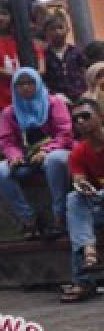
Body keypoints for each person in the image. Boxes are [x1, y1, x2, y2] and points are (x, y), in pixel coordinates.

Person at [0, 68, 73, 238]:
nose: (25, 87)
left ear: (38, 83)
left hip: (56, 151)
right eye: (20, 84)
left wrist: (46, 151)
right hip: (26, 158)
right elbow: (7, 141)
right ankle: (29, 220)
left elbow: (65, 134)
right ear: (14, 88)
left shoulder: (54, 103)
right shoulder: (10, 112)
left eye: (30, 82)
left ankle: (59, 217)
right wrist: (14, 156)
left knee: (55, 160)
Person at [0, 1, 44, 155]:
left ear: (11, 17)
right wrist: (20, 77)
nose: (0, 18)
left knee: (30, 139)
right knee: (4, 140)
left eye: (4, 14)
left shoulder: (21, 39)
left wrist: (39, 72)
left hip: (26, 96)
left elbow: (38, 55)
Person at [62, 98, 104, 302]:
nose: (80, 121)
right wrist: (82, 185)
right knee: (74, 198)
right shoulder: (78, 152)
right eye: (75, 119)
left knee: (80, 218)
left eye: (85, 116)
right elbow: (78, 180)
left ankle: (82, 280)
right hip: (97, 206)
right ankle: (88, 250)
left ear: (101, 117)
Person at [41, 12, 87, 102]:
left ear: (67, 29)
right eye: (52, 29)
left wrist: (86, 92)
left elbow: (85, 72)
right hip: (56, 98)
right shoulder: (44, 55)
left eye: (60, 27)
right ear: (46, 32)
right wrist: (52, 94)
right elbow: (42, 79)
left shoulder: (77, 51)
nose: (57, 31)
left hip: (81, 95)